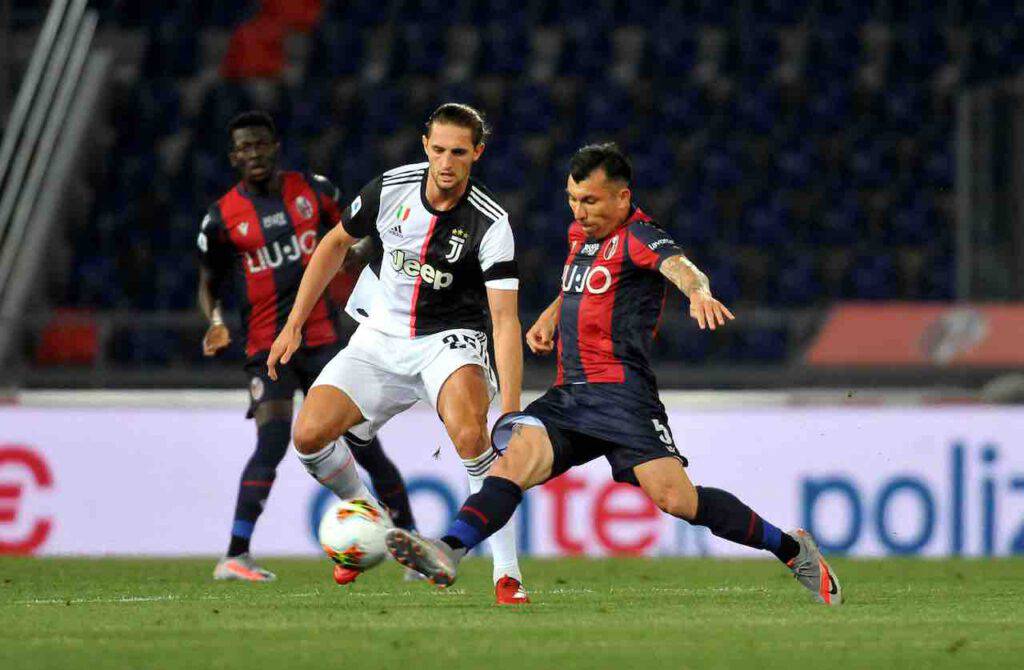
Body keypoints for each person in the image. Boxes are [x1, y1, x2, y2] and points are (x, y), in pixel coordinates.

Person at [385, 143, 844, 606]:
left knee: (678, 501)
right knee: (512, 463)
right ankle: (448, 549)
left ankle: (791, 549)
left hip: (624, 399)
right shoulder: (579, 236)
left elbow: (681, 268)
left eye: (591, 201)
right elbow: (579, 285)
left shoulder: (640, 237)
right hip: (570, 397)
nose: (579, 211)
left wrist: (698, 293)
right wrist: (551, 315)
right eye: (572, 199)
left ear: (622, 199)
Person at [266, 103, 529, 605]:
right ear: (424, 145)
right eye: (438, 150)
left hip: (449, 340)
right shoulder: (391, 189)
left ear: (477, 152)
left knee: (471, 433)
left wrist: (511, 407)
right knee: (308, 435)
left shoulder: (492, 224)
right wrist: (294, 324)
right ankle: (370, 519)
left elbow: (503, 319)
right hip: (381, 335)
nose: (446, 162)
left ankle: (507, 574)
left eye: (458, 152)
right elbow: (334, 244)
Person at [198, 111, 417, 582]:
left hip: (322, 342)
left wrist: (357, 257)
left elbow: (353, 238)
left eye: (260, 144)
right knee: (273, 441)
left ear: (275, 145)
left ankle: (412, 546)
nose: (253, 154)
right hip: (266, 349)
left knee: (364, 444)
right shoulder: (221, 218)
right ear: (233, 157)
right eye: (243, 148)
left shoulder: (316, 191)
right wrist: (215, 321)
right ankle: (236, 554)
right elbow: (209, 280)